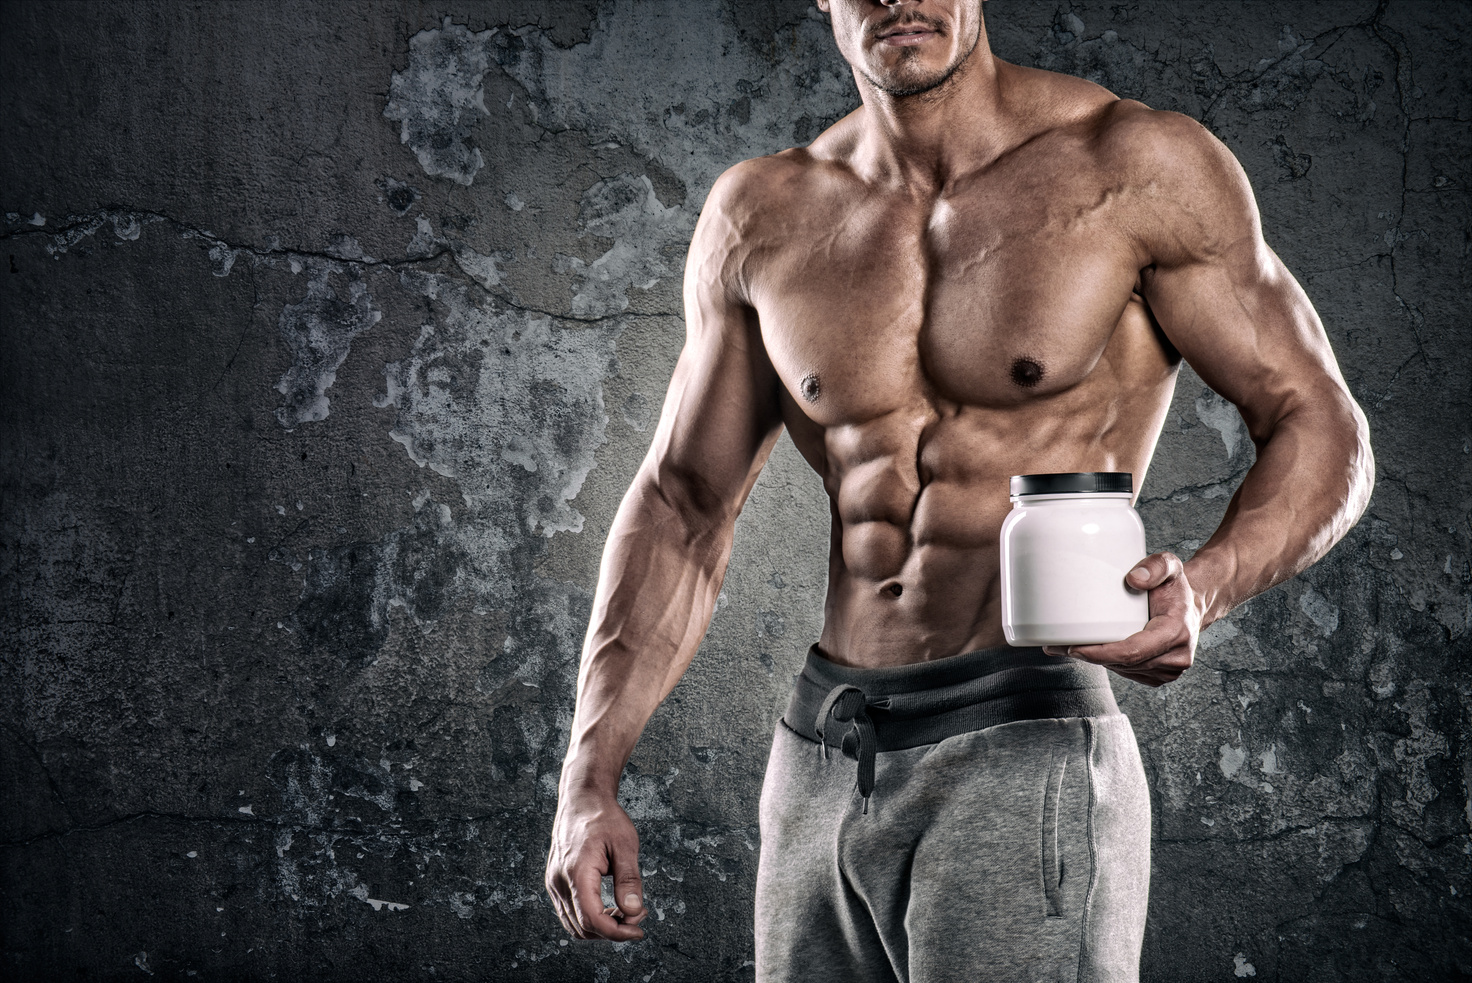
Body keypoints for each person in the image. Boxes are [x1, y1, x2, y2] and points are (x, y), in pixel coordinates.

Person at [544, 0, 1373, 979]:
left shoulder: (1135, 168)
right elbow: (681, 503)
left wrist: (1207, 582)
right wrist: (586, 776)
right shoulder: (761, 214)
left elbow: (1319, 421)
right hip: (821, 748)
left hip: (1021, 742)